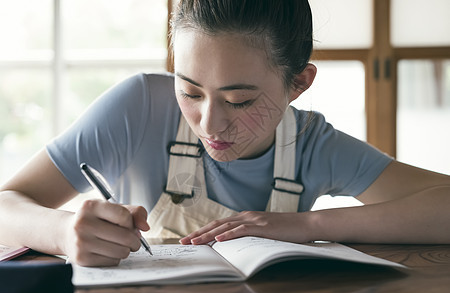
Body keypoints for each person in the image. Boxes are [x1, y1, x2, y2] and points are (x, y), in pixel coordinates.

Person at [1, 0, 449, 267]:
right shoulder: (138, 106)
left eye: (240, 101)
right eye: (190, 91)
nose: (210, 125)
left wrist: (307, 225)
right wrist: (63, 231)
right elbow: (6, 205)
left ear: (300, 83)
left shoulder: (312, 144)